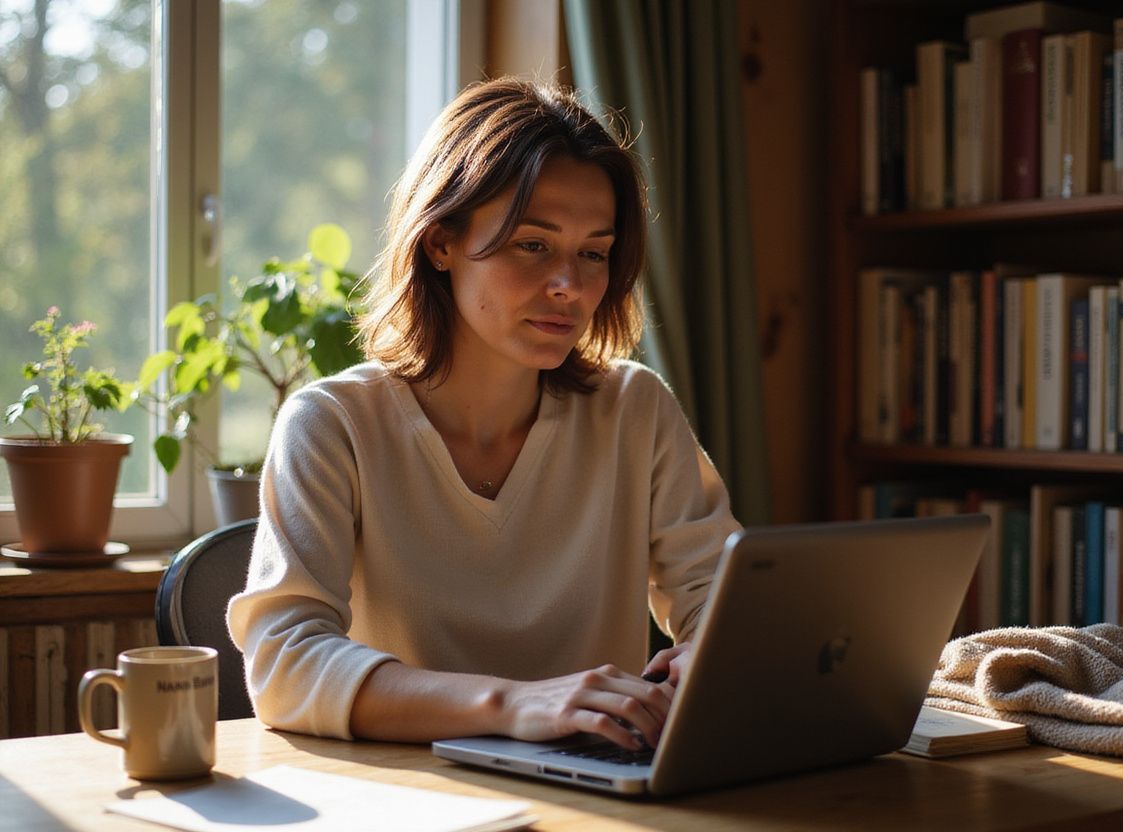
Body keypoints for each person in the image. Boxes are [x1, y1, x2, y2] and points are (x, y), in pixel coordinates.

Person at [227, 78, 740, 751]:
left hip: (600, 801)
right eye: (534, 244)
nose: (571, 286)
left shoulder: (634, 410)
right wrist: (512, 704)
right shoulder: (333, 425)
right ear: (440, 242)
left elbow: (720, 604)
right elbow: (285, 665)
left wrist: (708, 653)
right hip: (410, 802)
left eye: (594, 253)